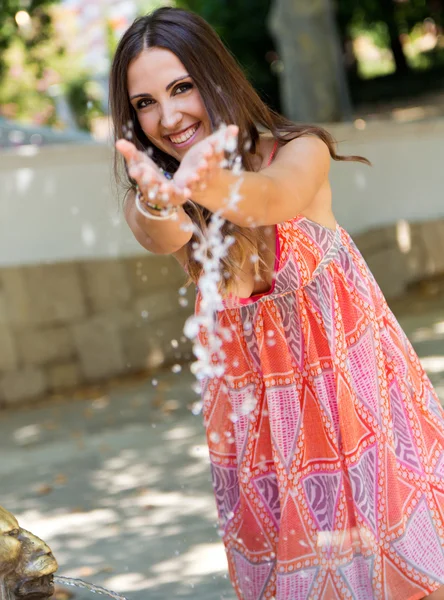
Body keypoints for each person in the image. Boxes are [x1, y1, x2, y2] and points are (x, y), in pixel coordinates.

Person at [110, 7, 444, 599]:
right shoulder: (171, 193)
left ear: (216, 77)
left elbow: (270, 200)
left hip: (358, 405)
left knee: (408, 574)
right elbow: (158, 232)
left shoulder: (299, 151)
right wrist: (160, 200)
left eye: (181, 87)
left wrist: (194, 182)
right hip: (264, 433)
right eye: (145, 103)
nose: (168, 116)